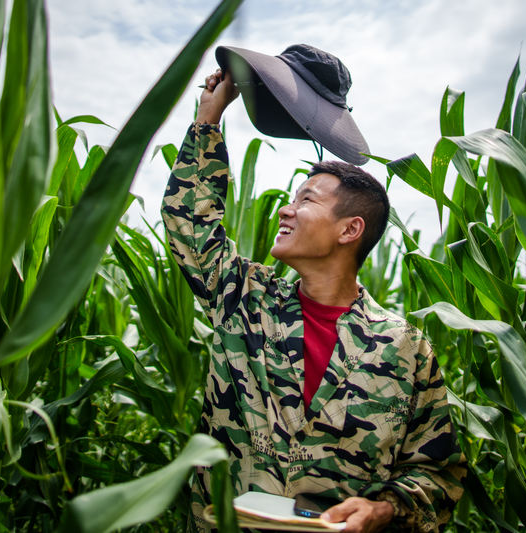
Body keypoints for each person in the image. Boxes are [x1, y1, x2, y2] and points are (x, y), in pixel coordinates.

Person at [161, 45, 465, 533]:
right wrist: (208, 121)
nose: (285, 209)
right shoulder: (246, 299)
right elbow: (189, 222)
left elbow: (437, 473)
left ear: (350, 231)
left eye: (306, 200)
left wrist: (383, 509)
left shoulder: (404, 348)